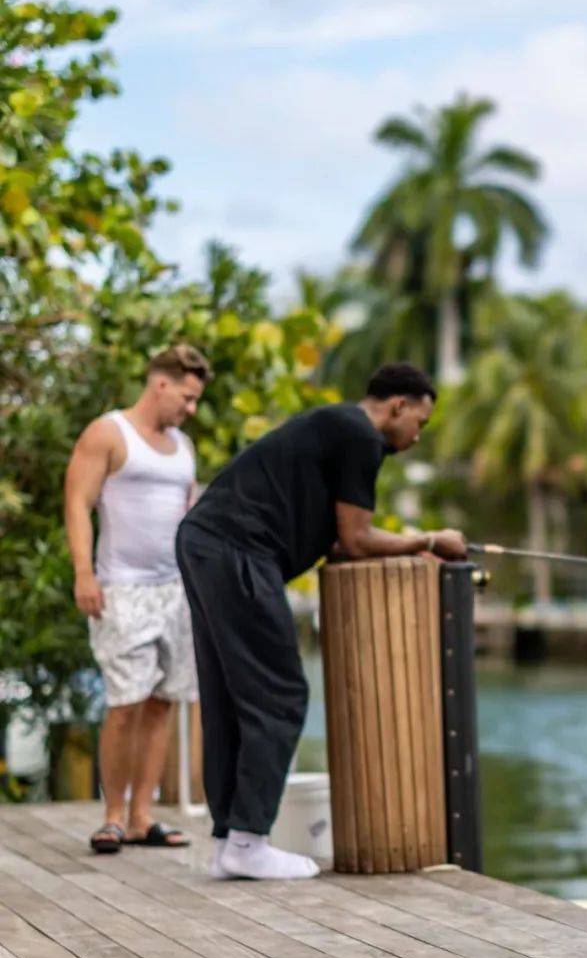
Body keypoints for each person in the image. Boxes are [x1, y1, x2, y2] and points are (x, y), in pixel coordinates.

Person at [176, 362, 467, 881]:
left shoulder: (335, 427)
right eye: (419, 423)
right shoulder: (360, 435)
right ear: (396, 406)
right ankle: (247, 839)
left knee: (229, 696)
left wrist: (398, 544)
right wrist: (429, 540)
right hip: (238, 547)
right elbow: (357, 539)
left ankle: (230, 841)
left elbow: (338, 540)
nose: (417, 437)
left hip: (205, 540)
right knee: (280, 694)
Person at [65, 344, 210, 853]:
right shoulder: (109, 432)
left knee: (161, 702)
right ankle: (111, 815)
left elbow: (189, 512)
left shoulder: (182, 447)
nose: (190, 409)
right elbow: (78, 504)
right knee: (125, 702)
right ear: (161, 383)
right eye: (187, 398)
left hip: (174, 590)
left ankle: (142, 817)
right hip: (122, 587)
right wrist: (84, 572)